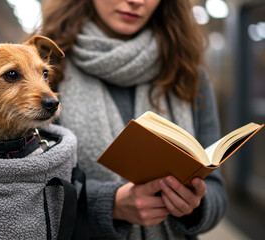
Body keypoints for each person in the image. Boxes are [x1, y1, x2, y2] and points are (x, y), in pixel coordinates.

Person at [39, 0, 228, 239]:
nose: (137, 1)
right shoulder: (44, 71)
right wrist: (110, 204)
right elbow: (30, 192)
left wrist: (196, 205)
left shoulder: (188, 73)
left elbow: (217, 189)